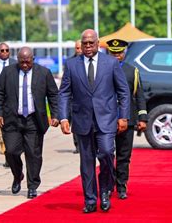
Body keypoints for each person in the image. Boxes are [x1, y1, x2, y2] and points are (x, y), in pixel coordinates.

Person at [58, 29, 130, 213]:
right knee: (87, 162)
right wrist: (63, 117)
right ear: (80, 45)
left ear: (98, 44)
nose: (88, 47)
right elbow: (65, 92)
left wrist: (123, 116)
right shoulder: (72, 64)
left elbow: (123, 91)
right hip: (82, 121)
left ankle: (105, 190)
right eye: (85, 43)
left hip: (106, 119)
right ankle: (90, 199)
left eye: (91, 43)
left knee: (106, 153)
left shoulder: (111, 63)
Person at [0, 47, 59, 199]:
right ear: (18, 60)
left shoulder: (44, 73)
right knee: (10, 151)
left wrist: (55, 115)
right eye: (21, 62)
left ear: (33, 59)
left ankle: (32, 185)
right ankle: (17, 175)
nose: (24, 65)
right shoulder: (8, 72)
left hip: (34, 120)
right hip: (12, 119)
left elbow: (53, 95)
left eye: (27, 62)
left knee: (33, 154)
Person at [106, 39, 148, 200]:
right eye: (113, 53)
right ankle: (108, 184)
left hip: (127, 120)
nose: (117, 56)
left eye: (119, 53)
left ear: (124, 53)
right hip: (107, 120)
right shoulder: (102, 70)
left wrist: (142, 117)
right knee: (107, 154)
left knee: (124, 155)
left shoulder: (132, 71)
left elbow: (139, 95)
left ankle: (121, 185)